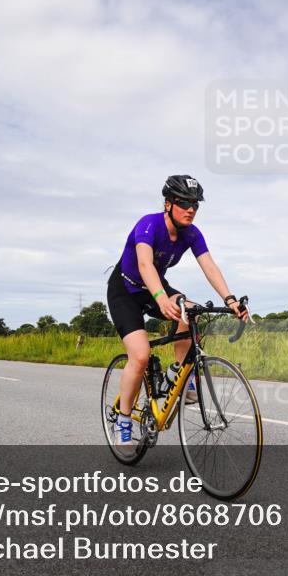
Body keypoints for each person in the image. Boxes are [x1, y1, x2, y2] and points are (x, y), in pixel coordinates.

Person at [106, 175, 246, 448]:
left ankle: (179, 374)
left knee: (192, 311)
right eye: (184, 203)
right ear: (168, 203)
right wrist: (160, 297)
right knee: (141, 355)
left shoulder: (192, 233)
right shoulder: (149, 224)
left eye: (195, 204)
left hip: (156, 286)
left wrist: (230, 300)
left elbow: (209, 267)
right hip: (126, 290)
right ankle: (123, 418)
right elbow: (145, 265)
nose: (191, 209)